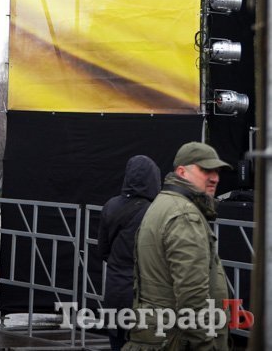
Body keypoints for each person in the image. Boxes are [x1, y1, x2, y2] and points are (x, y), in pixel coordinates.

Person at [122, 142, 232, 351]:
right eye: (205, 170)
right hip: (175, 338)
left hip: (160, 335)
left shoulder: (165, 203)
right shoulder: (184, 214)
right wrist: (205, 345)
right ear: (182, 172)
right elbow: (192, 295)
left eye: (217, 171)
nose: (215, 178)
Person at [98, 155, 161, 351]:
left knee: (117, 343)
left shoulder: (110, 205)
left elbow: (103, 250)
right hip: (143, 295)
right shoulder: (155, 211)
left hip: (115, 290)